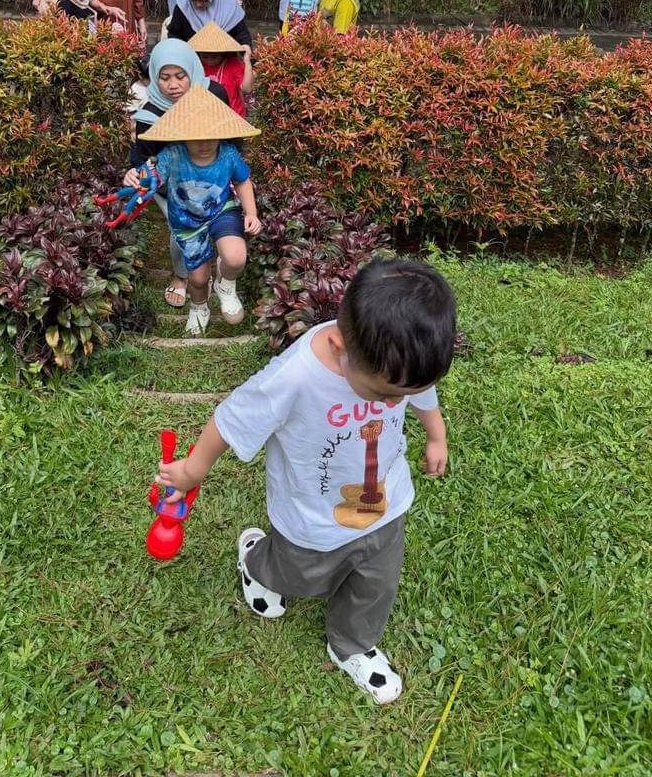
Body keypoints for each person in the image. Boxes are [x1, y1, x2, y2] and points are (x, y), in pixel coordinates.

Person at [152, 257, 456, 702]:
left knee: (377, 579)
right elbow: (231, 419)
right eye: (385, 394)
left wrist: (436, 434)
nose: (395, 402)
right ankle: (256, 561)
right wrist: (191, 470)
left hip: (385, 502)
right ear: (338, 345)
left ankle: (351, 643)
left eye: (402, 395)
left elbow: (419, 390)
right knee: (297, 573)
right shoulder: (295, 376)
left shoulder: (395, 359)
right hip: (309, 512)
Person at [124, 85, 262, 336]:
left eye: (210, 136)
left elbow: (242, 180)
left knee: (235, 256)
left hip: (222, 210)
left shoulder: (228, 154)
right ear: (182, 134)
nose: (204, 144)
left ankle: (226, 284)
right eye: (196, 138)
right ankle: (199, 307)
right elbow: (150, 174)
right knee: (197, 279)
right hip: (187, 221)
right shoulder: (172, 155)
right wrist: (134, 176)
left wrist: (250, 213)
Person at [131, 40, 231, 310]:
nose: (172, 85)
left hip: (214, 177)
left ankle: (218, 271)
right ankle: (182, 276)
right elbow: (142, 159)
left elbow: (232, 136)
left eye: (180, 76)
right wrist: (137, 173)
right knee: (181, 230)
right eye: (164, 78)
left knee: (219, 226)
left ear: (192, 70)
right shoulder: (149, 114)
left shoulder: (214, 94)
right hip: (171, 186)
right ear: (154, 77)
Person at [188, 21, 254, 117]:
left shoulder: (233, 64)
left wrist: (247, 62)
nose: (209, 59)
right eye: (205, 56)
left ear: (223, 52)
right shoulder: (197, 65)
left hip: (233, 116)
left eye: (214, 56)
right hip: (205, 115)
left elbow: (247, 88)